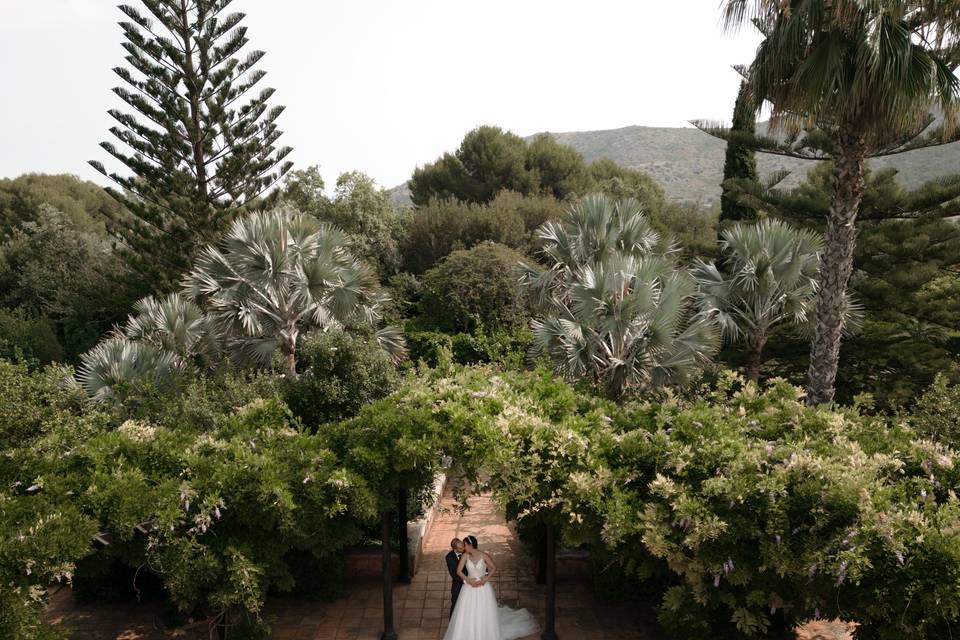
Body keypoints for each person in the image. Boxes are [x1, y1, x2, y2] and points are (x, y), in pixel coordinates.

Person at [443, 535, 538, 640]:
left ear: (470, 545)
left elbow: (493, 568)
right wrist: (469, 580)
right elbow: (458, 571)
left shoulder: (484, 555)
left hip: (483, 588)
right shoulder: (465, 556)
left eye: (465, 545)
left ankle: (485, 632)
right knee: (466, 611)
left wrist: (485, 578)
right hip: (469, 588)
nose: (464, 548)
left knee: (483, 611)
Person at [445, 538, 465, 619]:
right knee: (455, 603)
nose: (463, 549)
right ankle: (452, 622)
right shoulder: (449, 557)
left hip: (471, 581)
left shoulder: (466, 552)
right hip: (458, 583)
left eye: (463, 546)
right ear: (454, 549)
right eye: (460, 548)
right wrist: (467, 581)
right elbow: (454, 575)